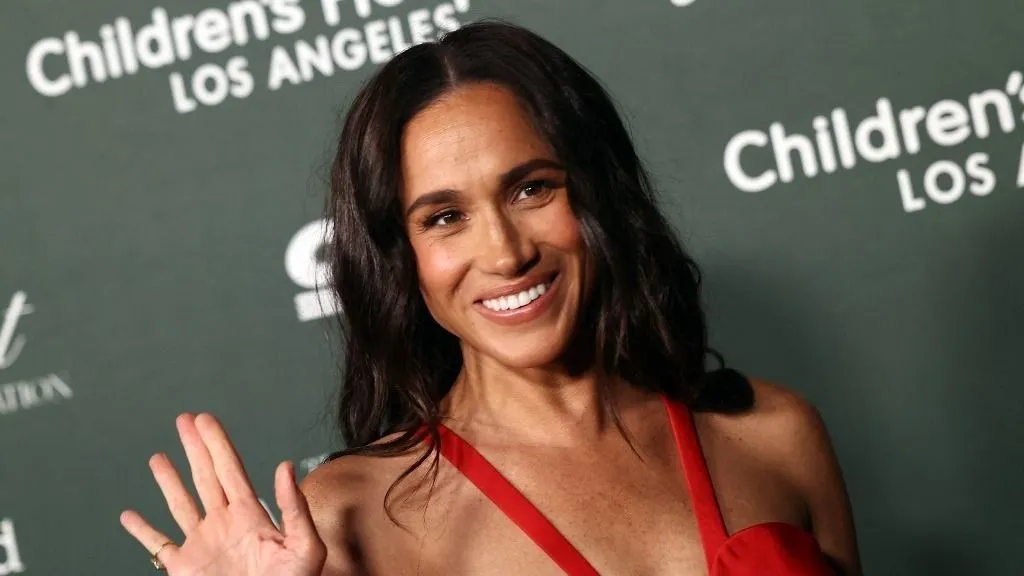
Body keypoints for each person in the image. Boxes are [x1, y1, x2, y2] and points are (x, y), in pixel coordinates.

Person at [120, 20, 861, 576]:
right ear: (399, 257)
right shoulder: (342, 519)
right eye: (444, 217)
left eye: (532, 188)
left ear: (598, 193)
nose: (506, 253)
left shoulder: (778, 434)